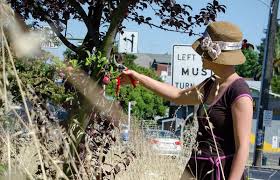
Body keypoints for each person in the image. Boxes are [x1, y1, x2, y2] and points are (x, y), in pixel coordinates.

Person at [120, 21, 253, 180]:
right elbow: (176, 95)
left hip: (220, 172)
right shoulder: (209, 85)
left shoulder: (239, 92)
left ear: (216, 55)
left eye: (203, 52)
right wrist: (139, 78)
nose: (200, 56)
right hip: (196, 167)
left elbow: (243, 148)